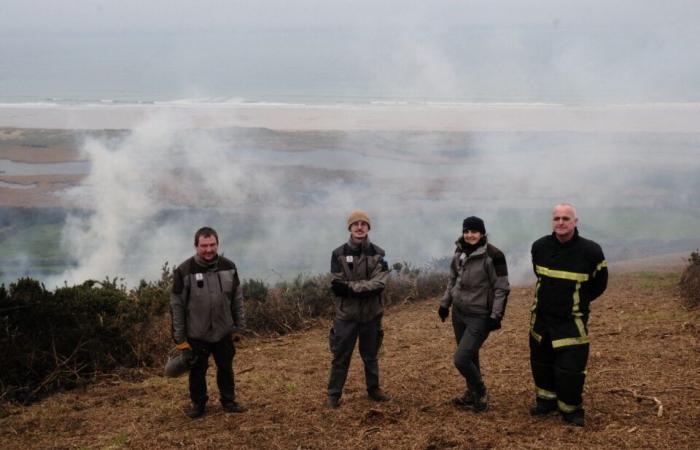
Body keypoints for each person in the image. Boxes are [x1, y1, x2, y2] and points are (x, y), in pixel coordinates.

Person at [529, 203, 608, 426]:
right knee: (541, 363)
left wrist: (577, 302)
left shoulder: (591, 251)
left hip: (572, 321)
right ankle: (546, 402)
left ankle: (571, 410)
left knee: (571, 369)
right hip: (542, 320)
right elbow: (539, 275)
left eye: (566, 218)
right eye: (557, 219)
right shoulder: (539, 247)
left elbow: (599, 284)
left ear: (575, 222)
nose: (561, 223)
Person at [170, 226, 247, 418]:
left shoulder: (229, 266)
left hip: (223, 331)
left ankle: (228, 401)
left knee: (226, 368)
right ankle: (198, 405)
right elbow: (177, 307)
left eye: (212, 245)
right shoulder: (183, 271)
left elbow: (237, 299)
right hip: (196, 334)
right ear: (196, 246)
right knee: (197, 371)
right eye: (204, 245)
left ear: (217, 244)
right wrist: (180, 339)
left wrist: (239, 327)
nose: (209, 249)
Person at [438, 216, 510, 412]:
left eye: (474, 232)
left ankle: (480, 391)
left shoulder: (494, 256)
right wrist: (445, 304)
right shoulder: (459, 251)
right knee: (471, 355)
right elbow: (452, 280)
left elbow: (501, 288)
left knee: (461, 359)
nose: (470, 235)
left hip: (479, 315)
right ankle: (471, 393)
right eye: (466, 231)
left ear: (482, 233)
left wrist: (496, 316)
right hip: (459, 313)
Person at [326, 210, 392, 408]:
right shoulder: (337, 254)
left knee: (371, 355)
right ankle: (333, 394)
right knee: (340, 356)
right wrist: (362, 288)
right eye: (356, 224)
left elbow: (379, 284)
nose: (360, 227)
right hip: (346, 315)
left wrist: (350, 288)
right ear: (350, 228)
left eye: (364, 224)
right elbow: (336, 285)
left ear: (368, 227)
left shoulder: (379, 254)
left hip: (371, 314)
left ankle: (374, 389)